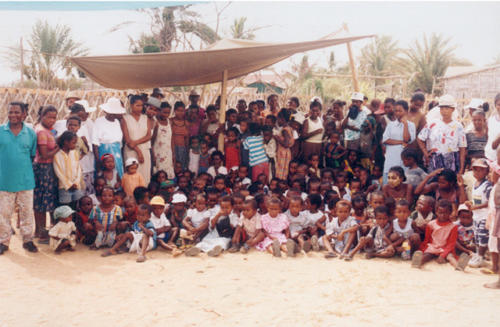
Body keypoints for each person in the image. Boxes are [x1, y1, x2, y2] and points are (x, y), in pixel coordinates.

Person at [0, 102, 38, 254]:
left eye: (17, 112)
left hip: (25, 180)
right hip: (4, 180)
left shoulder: (30, 133)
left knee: (27, 212)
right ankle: (3, 241)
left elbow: (32, 155)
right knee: (4, 213)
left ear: (24, 115)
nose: (13, 115)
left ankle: (27, 240)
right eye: (10, 112)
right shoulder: (1, 131)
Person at [412, 199, 470, 271]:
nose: (442, 215)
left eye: (445, 213)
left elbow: (451, 244)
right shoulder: (431, 224)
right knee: (427, 255)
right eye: (440, 212)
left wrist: (442, 255)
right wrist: (422, 250)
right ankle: (418, 262)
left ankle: (459, 266)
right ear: (436, 212)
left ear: (450, 213)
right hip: (433, 247)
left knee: (450, 257)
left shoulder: (453, 226)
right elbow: (427, 240)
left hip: (445, 248)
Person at [417, 94, 466, 175]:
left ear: (453, 109)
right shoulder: (433, 124)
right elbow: (420, 138)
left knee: (449, 184)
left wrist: (461, 169)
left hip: (452, 161)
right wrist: (425, 152)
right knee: (433, 184)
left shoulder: (458, 127)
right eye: (442, 108)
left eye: (447, 108)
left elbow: (462, 149)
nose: (444, 111)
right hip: (434, 161)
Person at [33, 105, 60, 243]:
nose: (52, 120)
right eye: (49, 117)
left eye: (54, 117)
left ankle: (39, 231)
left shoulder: (45, 129)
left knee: (40, 200)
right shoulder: (42, 132)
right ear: (42, 116)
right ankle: (42, 233)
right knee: (43, 201)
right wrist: (59, 147)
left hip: (44, 168)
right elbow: (43, 155)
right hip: (43, 168)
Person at [121, 95, 154, 184]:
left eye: (141, 105)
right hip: (131, 151)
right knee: (132, 178)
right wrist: (138, 151)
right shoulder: (125, 118)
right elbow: (127, 140)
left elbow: (148, 135)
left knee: (145, 177)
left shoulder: (145, 118)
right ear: (131, 105)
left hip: (145, 150)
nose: (140, 108)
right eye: (137, 105)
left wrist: (135, 142)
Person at [466, 158, 492, 268]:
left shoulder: (487, 185)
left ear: (486, 171)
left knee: (482, 235)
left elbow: (489, 202)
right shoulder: (475, 184)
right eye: (475, 170)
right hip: (476, 215)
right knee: (476, 236)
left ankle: (480, 256)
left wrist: (476, 207)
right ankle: (478, 255)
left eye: (480, 170)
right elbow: (477, 199)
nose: (477, 172)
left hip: (484, 216)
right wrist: (470, 203)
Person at [382, 100, 416, 184]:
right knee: (388, 182)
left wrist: (405, 125)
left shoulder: (411, 125)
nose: (397, 113)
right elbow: (386, 140)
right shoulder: (391, 125)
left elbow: (407, 139)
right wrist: (400, 142)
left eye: (400, 111)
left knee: (403, 182)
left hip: (403, 160)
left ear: (406, 111)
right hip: (391, 158)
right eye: (396, 111)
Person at [92, 97, 126, 178]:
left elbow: (120, 143)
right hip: (104, 156)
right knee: (104, 178)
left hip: (117, 156)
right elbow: (95, 143)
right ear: (112, 112)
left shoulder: (117, 122)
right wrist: (98, 160)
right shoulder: (99, 121)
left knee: (117, 177)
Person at [53, 131, 84, 208]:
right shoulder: (57, 155)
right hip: (64, 187)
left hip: (76, 185)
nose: (75, 145)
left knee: (76, 207)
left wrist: (76, 182)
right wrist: (69, 184)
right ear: (66, 142)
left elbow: (78, 169)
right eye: (73, 143)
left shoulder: (75, 153)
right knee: (65, 207)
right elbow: (58, 172)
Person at [152, 102, 175, 179]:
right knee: (159, 174)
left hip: (168, 153)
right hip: (158, 154)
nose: (166, 115)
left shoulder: (169, 122)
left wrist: (173, 154)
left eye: (168, 113)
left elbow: (171, 140)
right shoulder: (155, 122)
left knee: (168, 174)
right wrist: (153, 155)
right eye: (164, 112)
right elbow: (151, 142)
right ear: (159, 111)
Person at [274, 109, 294, 181]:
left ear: (282, 119)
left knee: (280, 169)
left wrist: (277, 138)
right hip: (286, 153)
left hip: (282, 153)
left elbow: (286, 144)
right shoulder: (289, 128)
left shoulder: (285, 130)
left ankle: (280, 181)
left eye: (278, 119)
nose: (277, 121)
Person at [170, 101, 190, 170]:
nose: (180, 113)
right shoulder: (170, 121)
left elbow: (187, 139)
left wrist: (187, 151)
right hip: (172, 149)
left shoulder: (186, 123)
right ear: (174, 111)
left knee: (181, 168)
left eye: (182, 111)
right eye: (178, 110)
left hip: (182, 149)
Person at [485, 93, 500, 164]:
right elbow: (487, 137)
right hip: (490, 157)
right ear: (495, 105)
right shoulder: (490, 120)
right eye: (499, 105)